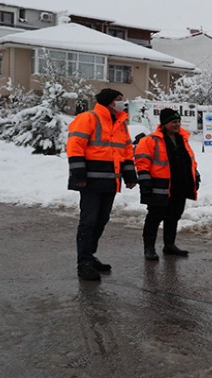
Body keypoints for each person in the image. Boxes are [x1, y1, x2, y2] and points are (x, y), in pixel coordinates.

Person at [67, 88, 137, 281]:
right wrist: (78, 173)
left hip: (110, 180)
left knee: (101, 220)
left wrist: (129, 174)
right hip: (90, 180)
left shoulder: (120, 123)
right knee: (88, 222)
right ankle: (84, 263)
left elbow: (126, 150)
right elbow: (75, 145)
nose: (123, 103)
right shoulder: (89, 118)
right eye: (120, 100)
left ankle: (90, 255)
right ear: (109, 102)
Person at [135, 109, 200, 261]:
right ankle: (149, 248)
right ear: (164, 124)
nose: (177, 125)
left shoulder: (182, 139)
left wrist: (195, 174)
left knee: (174, 216)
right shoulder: (151, 140)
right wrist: (144, 181)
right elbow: (142, 161)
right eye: (173, 122)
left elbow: (189, 159)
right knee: (154, 217)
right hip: (159, 185)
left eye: (178, 122)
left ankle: (169, 245)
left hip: (179, 185)